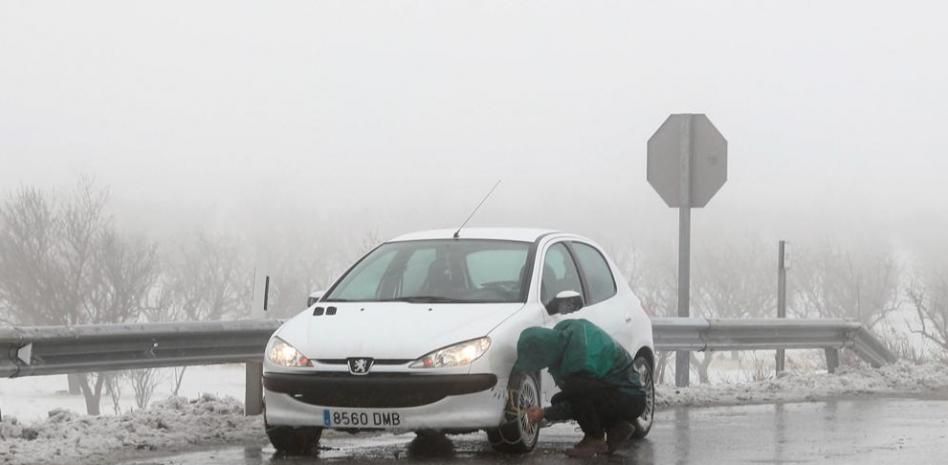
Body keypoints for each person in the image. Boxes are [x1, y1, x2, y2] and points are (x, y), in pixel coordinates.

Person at [512, 318, 647, 457]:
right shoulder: (567, 336)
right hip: (628, 394)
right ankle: (617, 426)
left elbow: (576, 402)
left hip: (628, 398)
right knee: (566, 396)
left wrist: (544, 413)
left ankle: (595, 438)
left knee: (573, 393)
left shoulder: (578, 362)